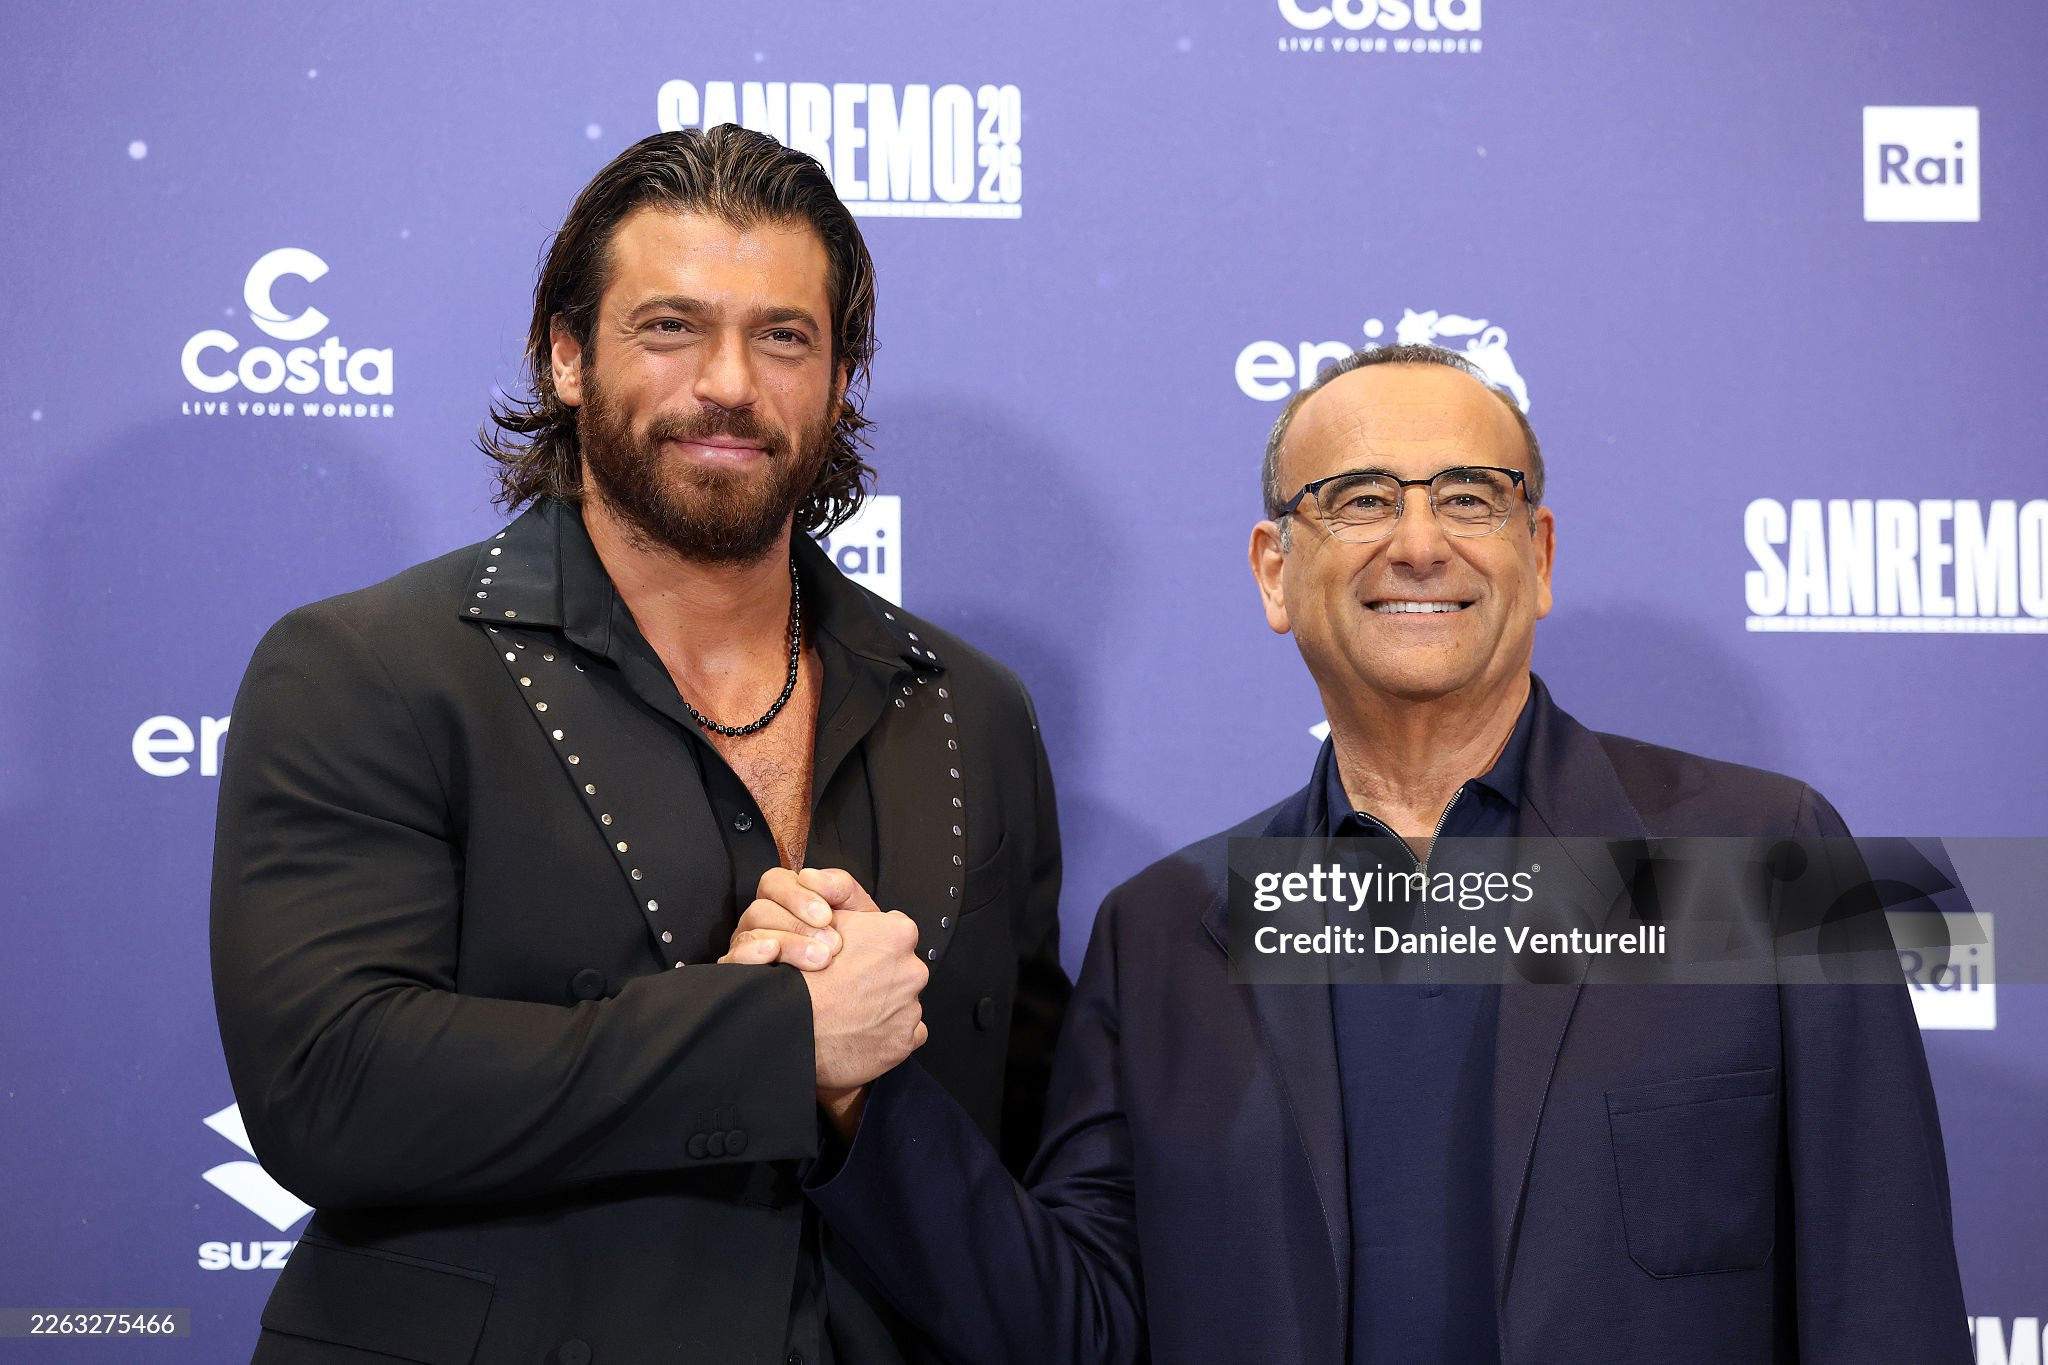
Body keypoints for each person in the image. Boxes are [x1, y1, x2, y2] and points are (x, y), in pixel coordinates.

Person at [776, 345, 1971, 1362]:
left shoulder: (1759, 855)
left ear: (1539, 557)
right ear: (1273, 572)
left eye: (1470, 497)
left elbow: (1884, 1298)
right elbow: (1076, 1325)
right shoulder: (1168, 932)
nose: (1418, 542)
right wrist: (859, 1095)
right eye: (1356, 500)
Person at [209, 126, 1067, 1364]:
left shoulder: (966, 709)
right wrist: (780, 1040)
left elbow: (1017, 1143)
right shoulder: (369, 670)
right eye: (671, 327)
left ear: (839, 381)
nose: (728, 382)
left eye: (784, 337)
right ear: (567, 356)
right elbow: (329, 1087)